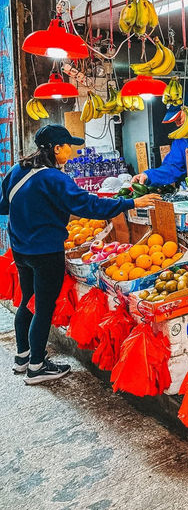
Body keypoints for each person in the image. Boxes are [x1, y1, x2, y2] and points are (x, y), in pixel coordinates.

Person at [0, 125, 161, 385]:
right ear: (56, 148)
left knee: (28, 300)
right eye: (68, 147)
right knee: (43, 308)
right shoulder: (54, 178)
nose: (72, 152)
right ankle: (37, 367)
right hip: (46, 251)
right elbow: (89, 206)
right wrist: (131, 203)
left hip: (20, 248)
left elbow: (3, 204)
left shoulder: (18, 170)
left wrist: (33, 209)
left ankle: (23, 358)